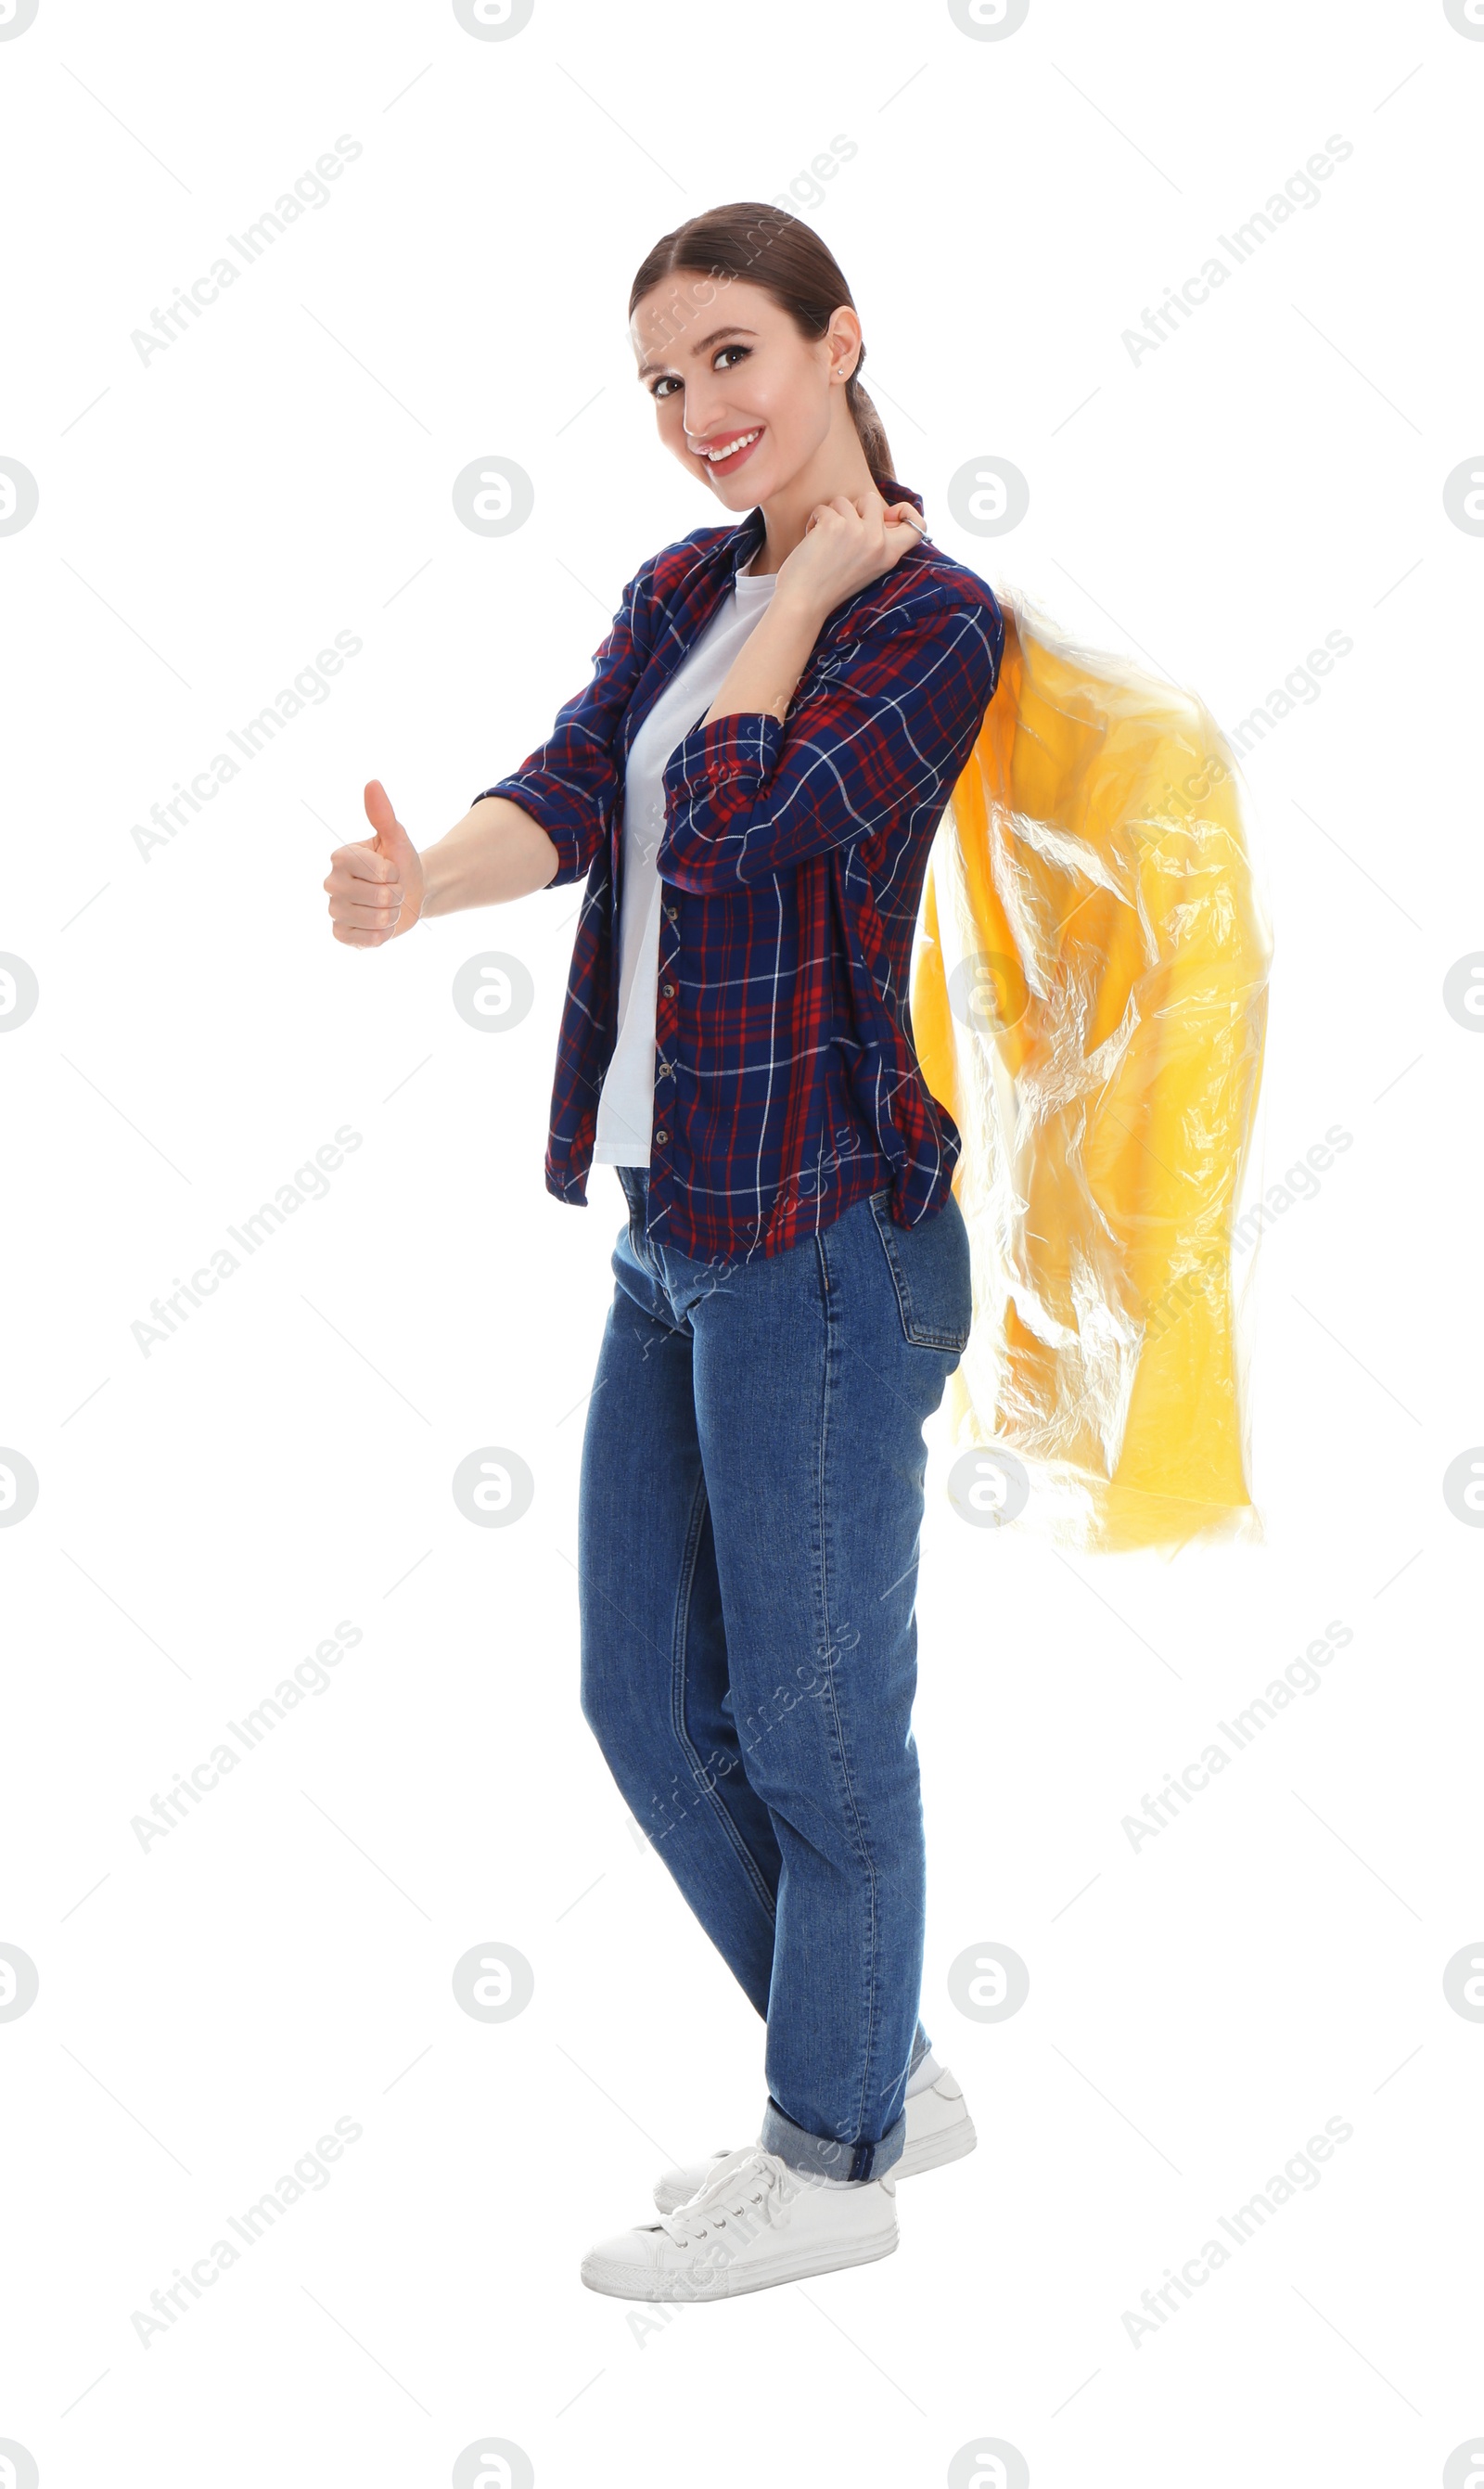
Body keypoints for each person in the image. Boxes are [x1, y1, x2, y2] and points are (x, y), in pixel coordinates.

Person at [323, 202, 1005, 2302]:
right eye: (659, 381)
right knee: (646, 1700)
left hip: (818, 1232)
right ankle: (876, 2055)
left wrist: (805, 580)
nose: (693, 412)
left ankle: (831, 2158)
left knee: (805, 1719)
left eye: (729, 358)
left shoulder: (924, 619)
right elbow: (581, 793)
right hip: (671, 1222)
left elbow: (724, 821)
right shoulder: (676, 587)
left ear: (835, 340)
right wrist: (417, 884)